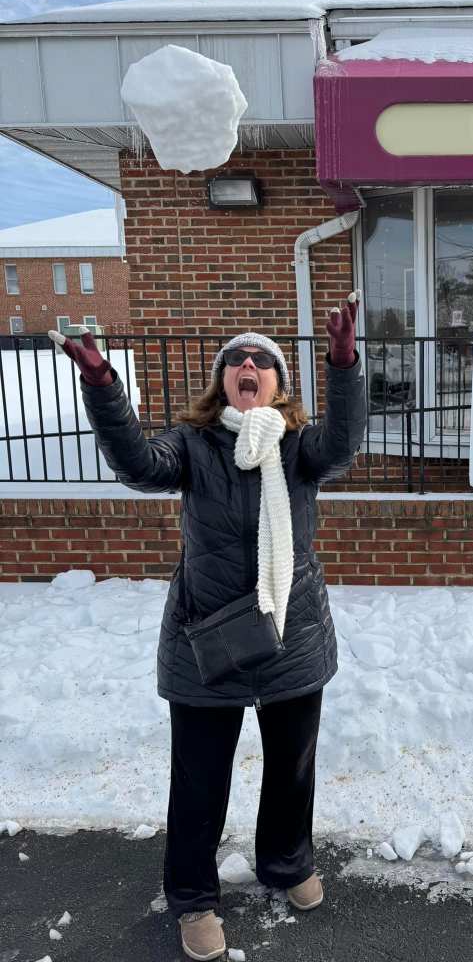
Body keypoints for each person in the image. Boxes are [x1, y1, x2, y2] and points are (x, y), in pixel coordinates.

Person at [49, 293, 366, 962]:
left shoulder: (300, 448)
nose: (248, 365)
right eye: (236, 359)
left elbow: (342, 444)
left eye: (262, 361)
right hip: (206, 639)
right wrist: (102, 383)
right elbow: (138, 466)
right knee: (199, 780)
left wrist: (343, 363)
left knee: (292, 768)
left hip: (290, 633)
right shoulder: (192, 445)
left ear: (278, 385)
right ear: (222, 379)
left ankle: (285, 862)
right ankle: (194, 898)